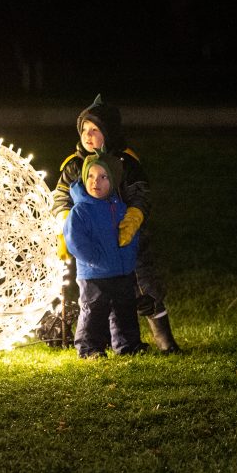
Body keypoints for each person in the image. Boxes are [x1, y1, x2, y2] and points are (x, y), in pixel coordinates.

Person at [51, 94, 180, 353]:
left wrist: (133, 219)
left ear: (109, 132)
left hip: (126, 242)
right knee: (97, 297)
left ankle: (161, 339)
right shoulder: (74, 165)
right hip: (93, 246)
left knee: (143, 287)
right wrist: (65, 225)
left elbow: (140, 194)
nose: (88, 135)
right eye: (84, 129)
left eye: (95, 130)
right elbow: (61, 198)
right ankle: (93, 343)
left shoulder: (126, 161)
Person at [63, 150, 146, 358]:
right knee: (94, 311)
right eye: (90, 176)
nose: (95, 182)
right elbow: (75, 240)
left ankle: (128, 345)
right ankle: (90, 347)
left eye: (103, 177)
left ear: (114, 180)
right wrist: (94, 259)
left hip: (121, 271)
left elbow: (130, 234)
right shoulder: (81, 211)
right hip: (94, 274)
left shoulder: (119, 207)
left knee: (124, 309)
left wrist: (128, 255)